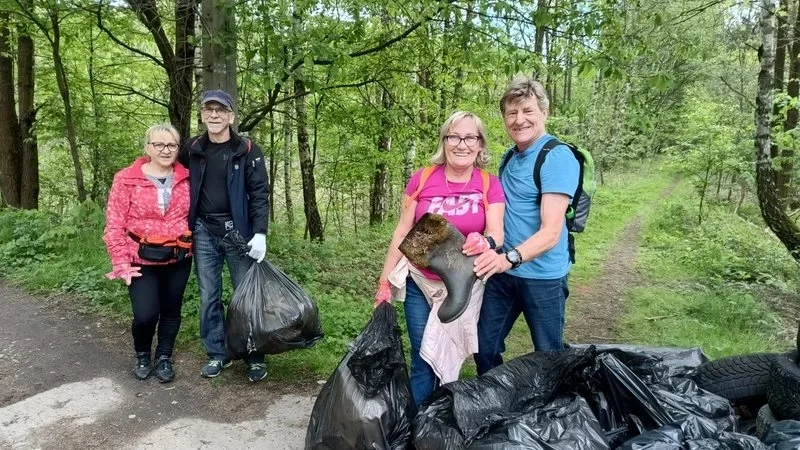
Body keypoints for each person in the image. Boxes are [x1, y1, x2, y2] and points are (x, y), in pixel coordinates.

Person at [375, 111, 505, 407]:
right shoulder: (422, 179)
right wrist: (384, 282)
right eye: (454, 137)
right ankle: (420, 422)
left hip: (463, 285)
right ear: (444, 141)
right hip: (420, 280)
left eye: (470, 137)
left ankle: (444, 417)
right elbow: (402, 232)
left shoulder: (489, 184)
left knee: (448, 356)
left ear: (480, 144)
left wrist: (485, 241)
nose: (462, 144)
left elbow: (498, 232)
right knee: (422, 354)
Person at [472, 76, 580, 375]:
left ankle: (551, 403)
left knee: (549, 356)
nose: (519, 120)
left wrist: (509, 258)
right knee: (484, 347)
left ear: (544, 112)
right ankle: (496, 397)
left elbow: (551, 233)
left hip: (543, 277)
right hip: (504, 274)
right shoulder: (510, 156)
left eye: (528, 111)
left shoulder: (556, 157)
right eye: (512, 113)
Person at [178, 89, 270, 382]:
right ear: (202, 115)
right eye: (209, 110)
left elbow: (259, 193)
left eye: (220, 110)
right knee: (209, 295)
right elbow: (170, 173)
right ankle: (218, 353)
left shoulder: (247, 149)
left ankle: (254, 355)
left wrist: (260, 232)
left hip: (238, 233)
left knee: (246, 295)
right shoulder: (192, 149)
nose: (214, 115)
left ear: (231, 117)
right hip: (204, 230)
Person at [103, 124, 192, 383]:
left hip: (178, 257)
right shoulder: (126, 178)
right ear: (147, 147)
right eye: (159, 144)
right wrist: (120, 262)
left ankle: (164, 356)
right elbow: (114, 224)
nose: (166, 150)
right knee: (145, 314)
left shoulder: (188, 178)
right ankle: (142, 353)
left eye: (171, 145)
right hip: (139, 258)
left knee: (171, 310)